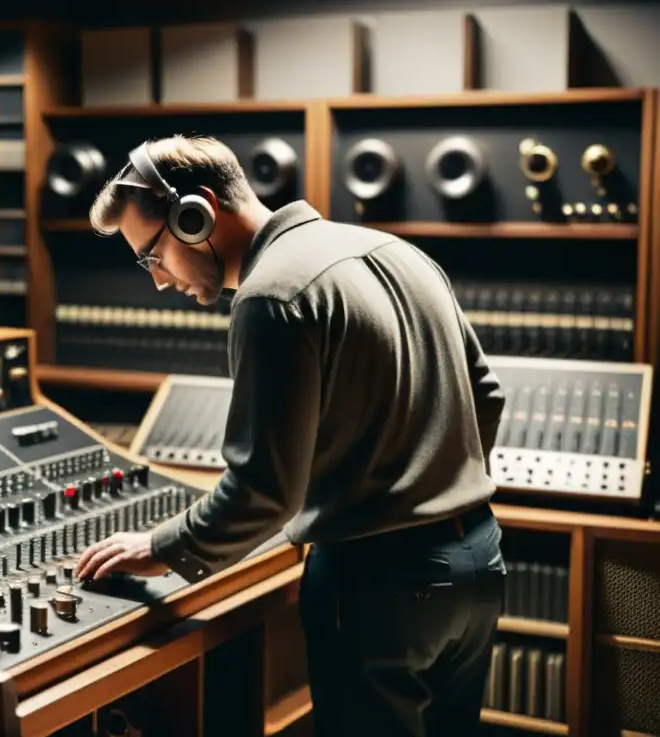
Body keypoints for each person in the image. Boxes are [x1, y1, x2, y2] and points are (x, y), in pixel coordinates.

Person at [74, 135, 507, 736]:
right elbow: (485, 395)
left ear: (195, 213)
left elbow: (263, 493)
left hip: (378, 582)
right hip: (480, 563)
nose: (158, 281)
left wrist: (161, 547)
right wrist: (431, 483)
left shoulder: (270, 295)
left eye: (153, 255)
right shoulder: (398, 252)